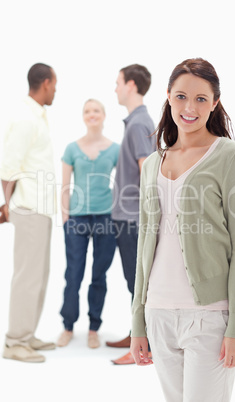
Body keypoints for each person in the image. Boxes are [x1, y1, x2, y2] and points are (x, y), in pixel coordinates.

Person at [130, 58, 235, 401]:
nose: (189, 107)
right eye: (181, 96)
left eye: (201, 99)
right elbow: (145, 244)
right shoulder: (153, 162)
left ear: (214, 103)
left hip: (210, 317)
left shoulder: (230, 156)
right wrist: (138, 320)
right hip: (158, 312)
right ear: (168, 96)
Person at [0, 63, 57, 363]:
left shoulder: (37, 115)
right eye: (55, 85)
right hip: (28, 207)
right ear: (45, 83)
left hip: (41, 208)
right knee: (27, 277)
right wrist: (7, 205)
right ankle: (15, 342)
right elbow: (8, 166)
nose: (56, 91)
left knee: (39, 275)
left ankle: (27, 334)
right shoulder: (25, 117)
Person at [57, 99, 120, 349]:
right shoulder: (72, 148)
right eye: (87, 111)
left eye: (96, 110)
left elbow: (126, 179)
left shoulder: (115, 149)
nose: (91, 114)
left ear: (104, 116)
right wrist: (65, 217)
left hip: (106, 217)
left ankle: (94, 328)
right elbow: (64, 186)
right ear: (83, 117)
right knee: (74, 274)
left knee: (99, 275)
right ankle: (68, 326)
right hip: (77, 218)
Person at [105, 64, 155, 364]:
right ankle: (137, 333)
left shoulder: (138, 124)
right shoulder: (136, 121)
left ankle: (144, 346)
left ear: (132, 85)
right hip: (126, 217)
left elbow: (147, 175)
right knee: (132, 282)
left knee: (138, 283)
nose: (115, 88)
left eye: (118, 82)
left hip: (133, 219)